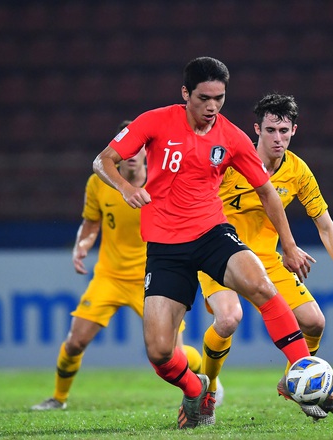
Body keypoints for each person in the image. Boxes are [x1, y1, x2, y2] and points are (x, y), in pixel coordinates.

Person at [92, 57, 317, 429]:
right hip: (165, 246)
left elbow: (267, 191)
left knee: (261, 285)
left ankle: (304, 372)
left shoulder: (231, 136)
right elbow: (103, 161)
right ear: (186, 94)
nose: (212, 107)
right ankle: (195, 388)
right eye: (204, 98)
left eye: (220, 98)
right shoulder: (154, 121)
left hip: (212, 232)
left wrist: (289, 246)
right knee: (160, 351)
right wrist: (128, 188)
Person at [197, 93, 333, 425]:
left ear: (294, 131)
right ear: (256, 129)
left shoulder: (297, 171)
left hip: (266, 260)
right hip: (220, 254)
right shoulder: (233, 163)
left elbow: (326, 226)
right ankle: (208, 389)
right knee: (229, 320)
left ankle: (294, 381)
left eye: (284, 131)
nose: (278, 138)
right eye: (271, 130)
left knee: (315, 321)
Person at [31, 120, 205, 411]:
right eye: (129, 147)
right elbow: (91, 222)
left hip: (151, 278)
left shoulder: (164, 182)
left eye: (141, 147)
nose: (135, 153)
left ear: (149, 151)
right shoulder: (98, 183)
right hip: (109, 276)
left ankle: (205, 379)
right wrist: (82, 245)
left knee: (172, 354)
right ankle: (58, 398)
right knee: (75, 342)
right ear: (119, 151)